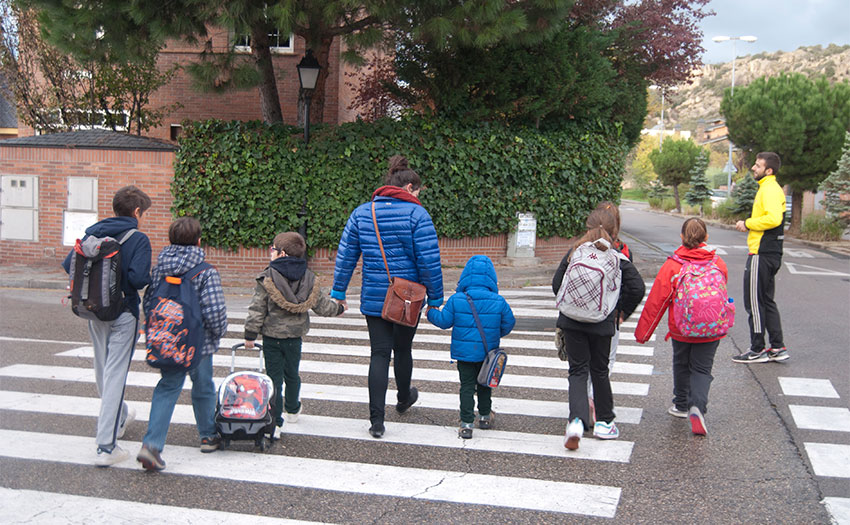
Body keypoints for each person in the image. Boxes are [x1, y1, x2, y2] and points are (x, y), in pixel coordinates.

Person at [331, 155, 444, 439]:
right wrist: (436, 299)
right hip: (409, 296)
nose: (418, 196)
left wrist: (339, 292)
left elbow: (346, 256)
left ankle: (377, 421)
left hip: (375, 297)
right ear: (408, 187)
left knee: (379, 353)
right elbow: (429, 260)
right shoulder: (418, 215)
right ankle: (404, 397)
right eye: (417, 191)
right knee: (403, 349)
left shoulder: (362, 213)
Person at [62, 185, 152, 467]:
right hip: (123, 313)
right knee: (115, 375)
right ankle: (106, 446)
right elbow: (138, 279)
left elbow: (69, 264)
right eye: (144, 213)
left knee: (102, 370)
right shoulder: (138, 238)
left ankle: (120, 415)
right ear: (137, 212)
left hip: (93, 310)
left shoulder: (93, 232)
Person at [136, 217, 227, 471]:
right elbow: (215, 310)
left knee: (167, 387)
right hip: (199, 344)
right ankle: (208, 436)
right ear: (199, 240)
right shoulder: (205, 271)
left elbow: (149, 303)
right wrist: (218, 333)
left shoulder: (159, 269)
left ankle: (152, 445)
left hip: (170, 341)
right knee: (203, 386)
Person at [553, 211, 645, 450]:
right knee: (599, 371)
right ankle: (604, 423)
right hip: (602, 323)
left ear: (587, 227)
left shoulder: (575, 253)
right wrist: (620, 311)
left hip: (572, 321)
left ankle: (575, 422)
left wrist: (573, 305)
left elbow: (556, 283)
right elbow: (637, 287)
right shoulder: (616, 257)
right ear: (614, 231)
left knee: (578, 371)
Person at [243, 231, 346, 436]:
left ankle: (275, 422)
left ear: (281, 254)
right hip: (295, 337)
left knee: (273, 378)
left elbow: (257, 309)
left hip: (272, 336)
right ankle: (292, 408)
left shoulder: (268, 277)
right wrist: (340, 308)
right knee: (292, 374)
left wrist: (250, 335)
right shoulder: (309, 278)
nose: (270, 252)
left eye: (273, 249)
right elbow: (322, 306)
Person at [634, 218, 729, 435]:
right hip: (711, 326)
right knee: (702, 369)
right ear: (706, 237)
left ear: (681, 238)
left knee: (681, 362)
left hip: (681, 327)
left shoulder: (673, 265)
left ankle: (681, 404)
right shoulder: (718, 264)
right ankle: (698, 407)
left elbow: (657, 301)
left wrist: (643, 333)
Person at [426, 255, 516, 439]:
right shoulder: (498, 301)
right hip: (487, 352)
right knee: (484, 384)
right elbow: (509, 323)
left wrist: (430, 313)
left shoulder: (457, 299)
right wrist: (495, 334)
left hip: (464, 354)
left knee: (466, 386)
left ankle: (466, 424)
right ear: (492, 277)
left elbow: (444, 321)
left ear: (465, 276)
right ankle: (484, 416)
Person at [732, 152, 788, 364]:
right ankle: (777, 347)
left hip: (761, 253)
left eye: (758, 165)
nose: (753, 168)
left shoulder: (770, 189)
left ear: (769, 170)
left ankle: (757, 349)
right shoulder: (769, 188)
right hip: (770, 252)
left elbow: (773, 219)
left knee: (754, 302)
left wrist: (748, 223)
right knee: (766, 301)